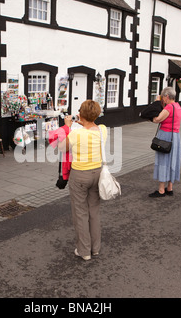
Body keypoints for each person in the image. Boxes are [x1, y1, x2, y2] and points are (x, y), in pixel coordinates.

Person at [58, 100, 106, 261]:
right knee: (94, 210)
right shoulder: (102, 131)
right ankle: (96, 248)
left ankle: (84, 250)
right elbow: (92, 125)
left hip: (79, 174)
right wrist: (85, 120)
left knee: (80, 213)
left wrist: (67, 126)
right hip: (97, 173)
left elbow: (61, 147)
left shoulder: (75, 134)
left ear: (81, 114)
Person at [149, 87, 181, 197]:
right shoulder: (178, 106)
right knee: (172, 160)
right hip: (175, 136)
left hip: (165, 136)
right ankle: (170, 187)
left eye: (163, 97)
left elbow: (158, 119)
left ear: (167, 96)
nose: (162, 99)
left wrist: (152, 118)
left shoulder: (169, 107)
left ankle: (161, 190)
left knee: (163, 160)